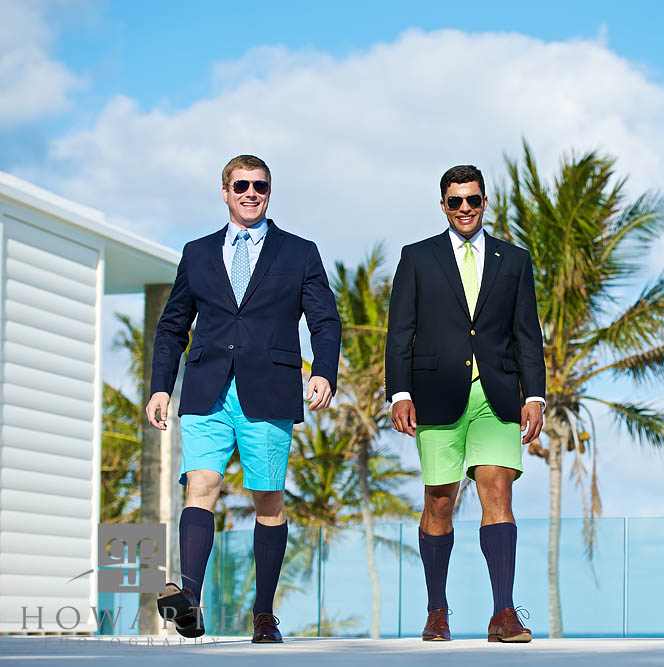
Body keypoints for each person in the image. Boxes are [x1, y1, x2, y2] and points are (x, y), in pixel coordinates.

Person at [145, 154, 341, 643]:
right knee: (201, 486)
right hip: (207, 388)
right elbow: (172, 326)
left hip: (269, 390)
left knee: (268, 500)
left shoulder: (299, 252)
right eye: (241, 185)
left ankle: (264, 614)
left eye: (260, 186)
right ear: (225, 191)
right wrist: (160, 386)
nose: (250, 193)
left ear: (269, 192)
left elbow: (325, 320)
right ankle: (190, 600)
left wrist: (324, 372)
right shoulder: (196, 252)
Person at [386, 165, 545, 643]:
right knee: (440, 500)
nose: (464, 209)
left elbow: (527, 334)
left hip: (497, 395)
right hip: (435, 394)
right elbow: (399, 332)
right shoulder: (417, 258)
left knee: (498, 490)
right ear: (443, 205)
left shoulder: (514, 260)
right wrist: (400, 392)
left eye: (472, 200)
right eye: (455, 201)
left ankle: (503, 614)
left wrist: (534, 395)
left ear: (484, 202)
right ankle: (438, 610)